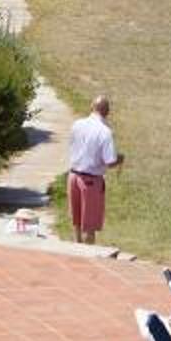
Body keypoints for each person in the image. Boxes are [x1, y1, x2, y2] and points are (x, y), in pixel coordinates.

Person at [66, 94, 122, 246]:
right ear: (107, 112)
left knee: (77, 223)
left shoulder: (77, 124)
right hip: (90, 181)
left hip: (73, 176)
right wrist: (120, 159)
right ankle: (87, 255)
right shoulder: (105, 132)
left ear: (91, 107)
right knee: (89, 226)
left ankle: (76, 251)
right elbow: (110, 162)